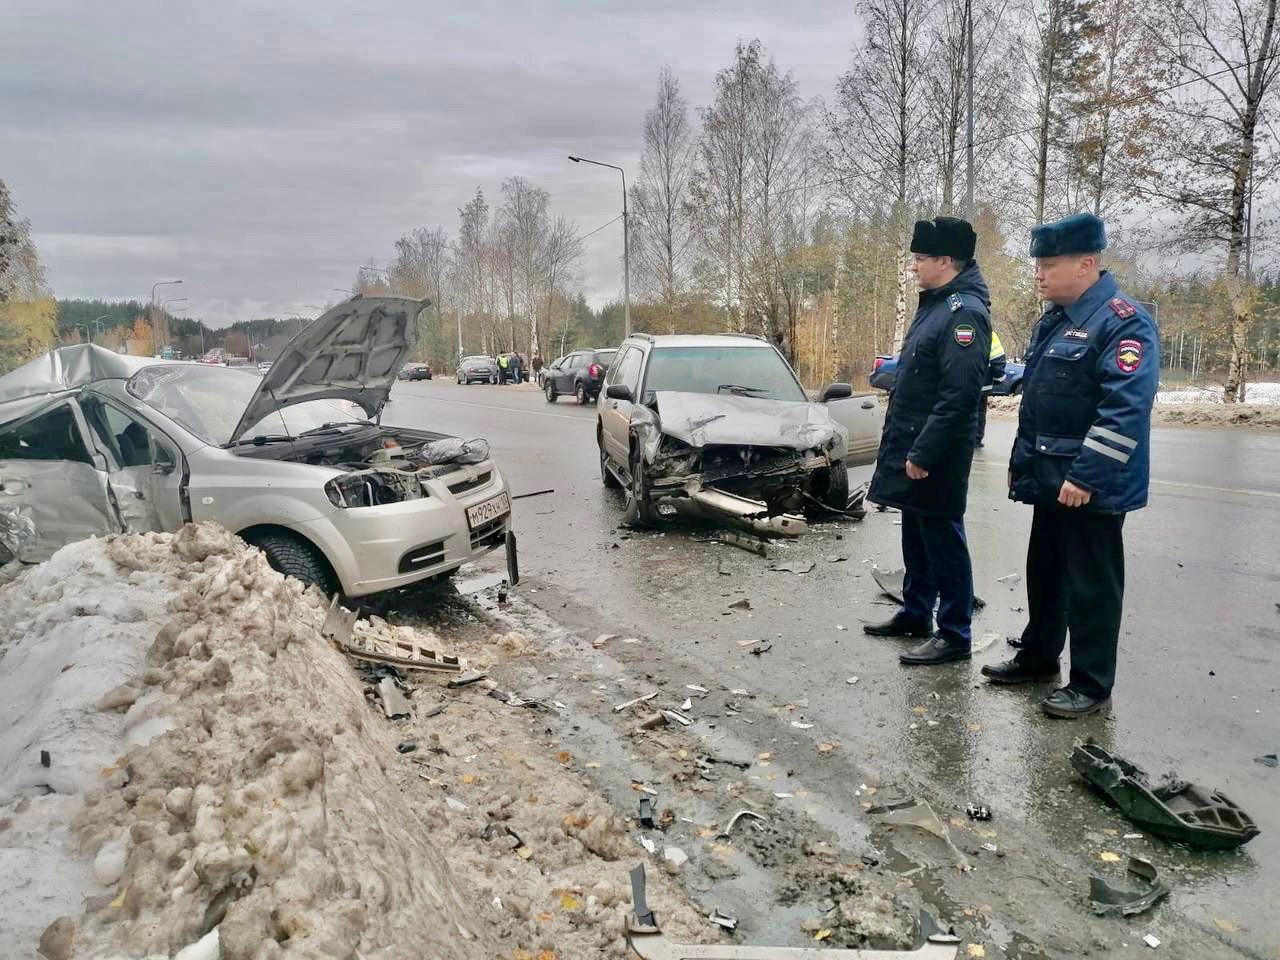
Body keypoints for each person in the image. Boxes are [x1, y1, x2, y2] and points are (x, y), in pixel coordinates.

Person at [982, 212, 1158, 717]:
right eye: (1037, 263)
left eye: (1049, 264)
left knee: (1091, 587)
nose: (1038, 273)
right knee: (1046, 572)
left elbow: (1124, 409)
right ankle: (1039, 656)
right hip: (1051, 477)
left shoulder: (1123, 322)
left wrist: (1087, 475)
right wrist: (1024, 466)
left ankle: (1091, 683)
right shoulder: (1057, 320)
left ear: (1087, 264)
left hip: (1090, 486)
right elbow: (1041, 406)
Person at [865, 216, 992, 666]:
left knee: (943, 540)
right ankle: (916, 612)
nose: (914, 266)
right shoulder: (936, 304)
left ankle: (955, 633)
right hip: (914, 442)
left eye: (920, 258)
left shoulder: (965, 314)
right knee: (917, 533)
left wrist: (924, 451)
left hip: (935, 451)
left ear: (945, 260)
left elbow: (959, 395)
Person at [975, 330, 1006, 447]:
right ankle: (976, 438)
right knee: (979, 411)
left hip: (960, 382)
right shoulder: (989, 333)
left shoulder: (956, 326)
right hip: (982, 383)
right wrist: (1000, 377)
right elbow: (997, 357)